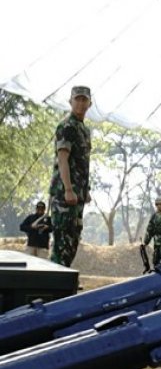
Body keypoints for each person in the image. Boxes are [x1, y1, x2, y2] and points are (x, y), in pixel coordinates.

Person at [49, 86, 92, 267]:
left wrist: (85, 190)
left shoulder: (83, 129)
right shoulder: (67, 126)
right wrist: (68, 189)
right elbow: (63, 159)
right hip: (65, 194)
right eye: (77, 99)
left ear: (90, 103)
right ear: (70, 101)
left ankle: (62, 283)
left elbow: (82, 162)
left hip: (77, 194)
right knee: (62, 244)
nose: (81, 104)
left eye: (84, 100)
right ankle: (54, 287)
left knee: (73, 240)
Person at [142, 197, 161, 266]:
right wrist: (146, 242)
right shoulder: (154, 216)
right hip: (157, 241)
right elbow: (149, 229)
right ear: (156, 205)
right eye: (159, 204)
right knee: (156, 259)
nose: (160, 206)